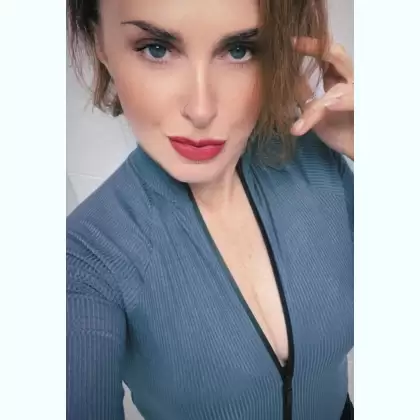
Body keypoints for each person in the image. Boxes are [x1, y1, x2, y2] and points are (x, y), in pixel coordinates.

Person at [66, 0, 354, 419]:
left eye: (239, 50)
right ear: (100, 44)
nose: (201, 109)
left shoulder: (316, 159)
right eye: (156, 49)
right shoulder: (84, 257)